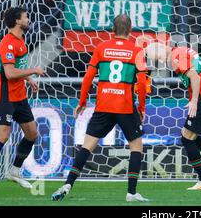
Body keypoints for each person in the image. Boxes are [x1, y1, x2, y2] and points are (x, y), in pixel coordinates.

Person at [51, 15, 149, 202]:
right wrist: (141, 107)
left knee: (87, 146)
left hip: (103, 105)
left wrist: (82, 101)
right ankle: (131, 192)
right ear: (130, 30)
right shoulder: (137, 51)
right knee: (136, 147)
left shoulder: (101, 48)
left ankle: (68, 184)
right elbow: (142, 82)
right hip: (125, 106)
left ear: (113, 29)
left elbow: (88, 77)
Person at [146, 42, 201, 190]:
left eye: (158, 57)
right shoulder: (185, 50)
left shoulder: (175, 56)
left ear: (161, 48)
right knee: (188, 135)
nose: (160, 61)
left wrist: (194, 100)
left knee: (186, 138)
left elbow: (195, 76)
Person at [0, 7, 45, 190]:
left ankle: (14, 171)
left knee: (32, 133)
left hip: (19, 94)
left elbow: (16, 69)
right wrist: (33, 70)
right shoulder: (8, 43)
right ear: (17, 21)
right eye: (26, 17)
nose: (28, 19)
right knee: (3, 135)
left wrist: (28, 79)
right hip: (4, 96)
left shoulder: (20, 41)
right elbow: (9, 73)